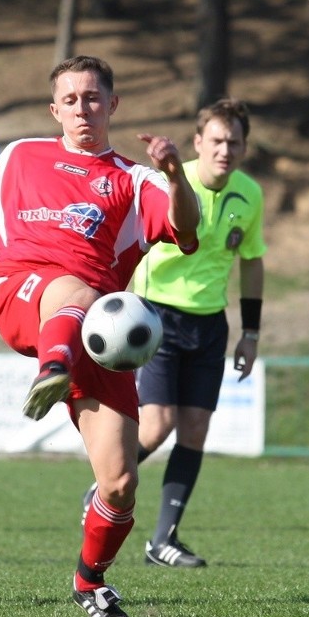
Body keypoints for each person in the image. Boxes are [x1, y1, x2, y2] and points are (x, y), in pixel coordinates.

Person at [0, 55, 200, 617]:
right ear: (55, 108)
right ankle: (51, 366)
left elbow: (187, 229)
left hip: (100, 335)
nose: (83, 108)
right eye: (71, 99)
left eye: (93, 98)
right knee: (70, 288)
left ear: (113, 105)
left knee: (121, 483)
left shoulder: (133, 178)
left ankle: (90, 581)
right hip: (24, 294)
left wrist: (176, 175)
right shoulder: (21, 156)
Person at [82, 98, 266, 569]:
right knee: (158, 423)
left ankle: (163, 540)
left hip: (210, 325)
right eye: (218, 140)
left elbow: (251, 261)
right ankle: (105, 484)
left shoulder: (250, 194)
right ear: (199, 142)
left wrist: (251, 332)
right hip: (155, 320)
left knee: (196, 431)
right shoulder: (168, 182)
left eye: (235, 142)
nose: (226, 150)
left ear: (244, 149)